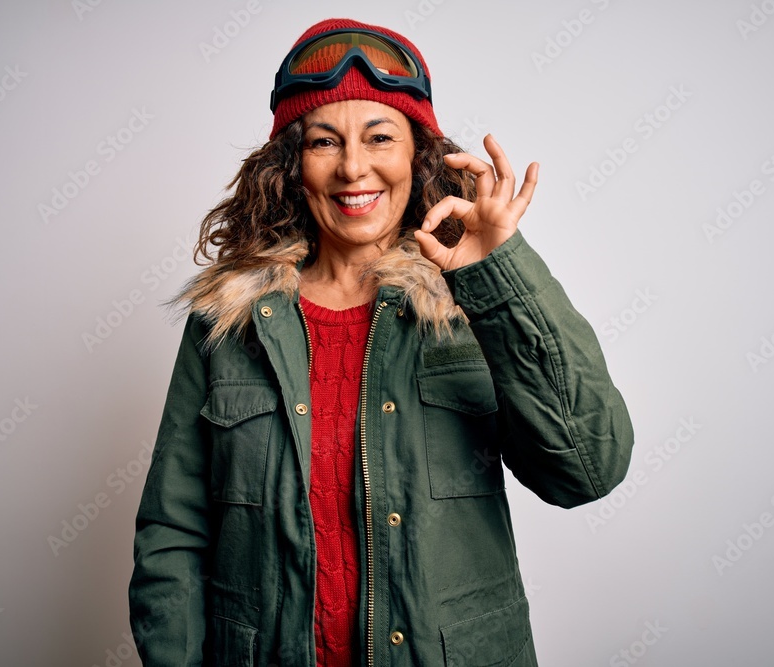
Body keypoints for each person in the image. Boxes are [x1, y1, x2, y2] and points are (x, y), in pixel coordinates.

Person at [128, 17, 634, 666]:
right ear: (291, 165)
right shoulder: (229, 321)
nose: (352, 167)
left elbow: (588, 468)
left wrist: (497, 273)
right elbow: (173, 532)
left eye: (380, 137)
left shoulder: (469, 303)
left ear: (417, 156)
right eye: (324, 141)